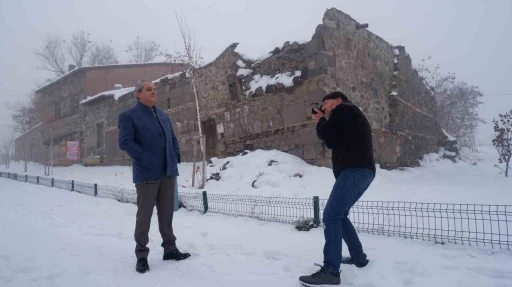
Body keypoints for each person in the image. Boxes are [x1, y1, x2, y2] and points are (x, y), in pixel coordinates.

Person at [299, 91, 376, 286]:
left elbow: (328, 139)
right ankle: (359, 258)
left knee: (331, 216)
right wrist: (323, 119)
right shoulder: (348, 114)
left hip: (354, 170)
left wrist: (321, 119)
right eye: (323, 104)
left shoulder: (343, 109)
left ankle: (331, 272)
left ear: (338, 100)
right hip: (363, 171)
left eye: (327, 103)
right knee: (340, 215)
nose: (324, 106)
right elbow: (332, 140)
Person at [118, 80, 191, 274]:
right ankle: (141, 256)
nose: (153, 92)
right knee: (144, 216)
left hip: (167, 171)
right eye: (149, 89)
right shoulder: (128, 116)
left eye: (155, 89)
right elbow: (125, 142)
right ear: (138, 94)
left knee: (166, 213)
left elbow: (173, 139)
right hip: (146, 172)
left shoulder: (163, 115)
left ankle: (170, 249)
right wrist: (144, 158)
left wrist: (175, 156)